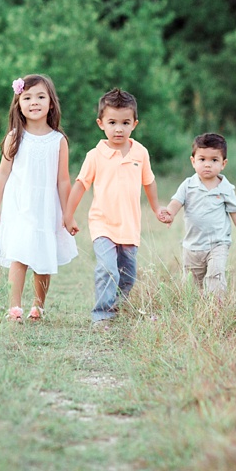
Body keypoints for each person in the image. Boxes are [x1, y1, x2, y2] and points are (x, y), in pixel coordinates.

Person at [64, 88, 169, 324]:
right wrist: (68, 215)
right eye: (112, 122)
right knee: (108, 268)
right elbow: (81, 185)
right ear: (101, 123)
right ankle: (102, 315)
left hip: (130, 226)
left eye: (125, 122)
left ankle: (121, 307)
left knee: (128, 275)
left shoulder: (140, 152)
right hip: (102, 224)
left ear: (134, 123)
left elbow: (149, 182)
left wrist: (156, 209)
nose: (118, 128)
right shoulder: (95, 155)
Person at [0, 74, 78, 321]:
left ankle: (38, 306)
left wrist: (67, 214)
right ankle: (14, 308)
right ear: (18, 103)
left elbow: (63, 181)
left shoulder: (58, 141)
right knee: (19, 255)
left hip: (46, 208)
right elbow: (2, 173)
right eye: (27, 97)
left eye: (41, 96)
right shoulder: (15, 137)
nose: (34, 102)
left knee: (42, 258)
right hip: (20, 206)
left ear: (51, 103)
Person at [160, 133, 236, 294]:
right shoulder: (188, 185)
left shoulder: (225, 188)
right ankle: (196, 310)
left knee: (215, 276)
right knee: (191, 285)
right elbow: (176, 202)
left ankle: (216, 307)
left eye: (214, 160)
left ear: (223, 164)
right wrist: (170, 213)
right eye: (202, 159)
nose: (207, 164)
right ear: (193, 161)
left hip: (218, 243)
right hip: (192, 245)